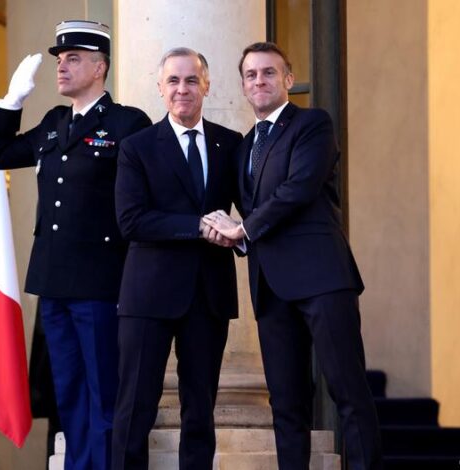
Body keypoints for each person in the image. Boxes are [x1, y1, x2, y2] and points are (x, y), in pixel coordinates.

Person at [203, 42, 383, 470]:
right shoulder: (244, 147)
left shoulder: (312, 125)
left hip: (322, 278)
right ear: (243, 86)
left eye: (269, 72)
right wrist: (231, 235)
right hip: (270, 287)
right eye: (251, 75)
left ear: (287, 79)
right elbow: (251, 210)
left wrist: (242, 229)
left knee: (348, 391)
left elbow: (298, 190)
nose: (259, 81)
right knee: (286, 403)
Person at [0, 20, 151, 470]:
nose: (61, 66)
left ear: (99, 67)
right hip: (53, 281)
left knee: (103, 393)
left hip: (100, 280)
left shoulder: (127, 123)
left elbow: (144, 196)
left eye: (73, 58)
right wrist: (10, 102)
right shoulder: (54, 123)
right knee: (69, 393)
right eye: (60, 58)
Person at [111, 47, 242, 470]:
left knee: (201, 410)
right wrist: (198, 226)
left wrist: (240, 235)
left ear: (207, 85)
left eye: (191, 80)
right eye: (173, 81)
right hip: (148, 295)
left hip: (209, 294)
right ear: (160, 88)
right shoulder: (137, 147)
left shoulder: (230, 143)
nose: (182, 89)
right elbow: (131, 220)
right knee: (134, 407)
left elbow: (251, 210)